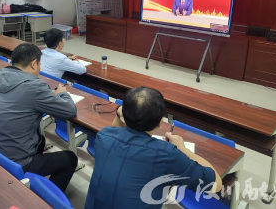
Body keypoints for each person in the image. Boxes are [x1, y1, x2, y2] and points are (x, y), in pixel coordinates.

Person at [85, 87, 222, 209]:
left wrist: (120, 113)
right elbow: (216, 184)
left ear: (124, 115)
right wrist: (183, 150)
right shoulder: (167, 154)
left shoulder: (104, 136)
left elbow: (115, 130)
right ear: (160, 122)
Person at [0, 43, 78, 192]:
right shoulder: (34, 86)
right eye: (39, 65)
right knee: (70, 159)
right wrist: (62, 93)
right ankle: (46, 199)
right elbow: (70, 110)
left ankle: (31, 181)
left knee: (40, 140)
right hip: (15, 160)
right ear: (34, 64)